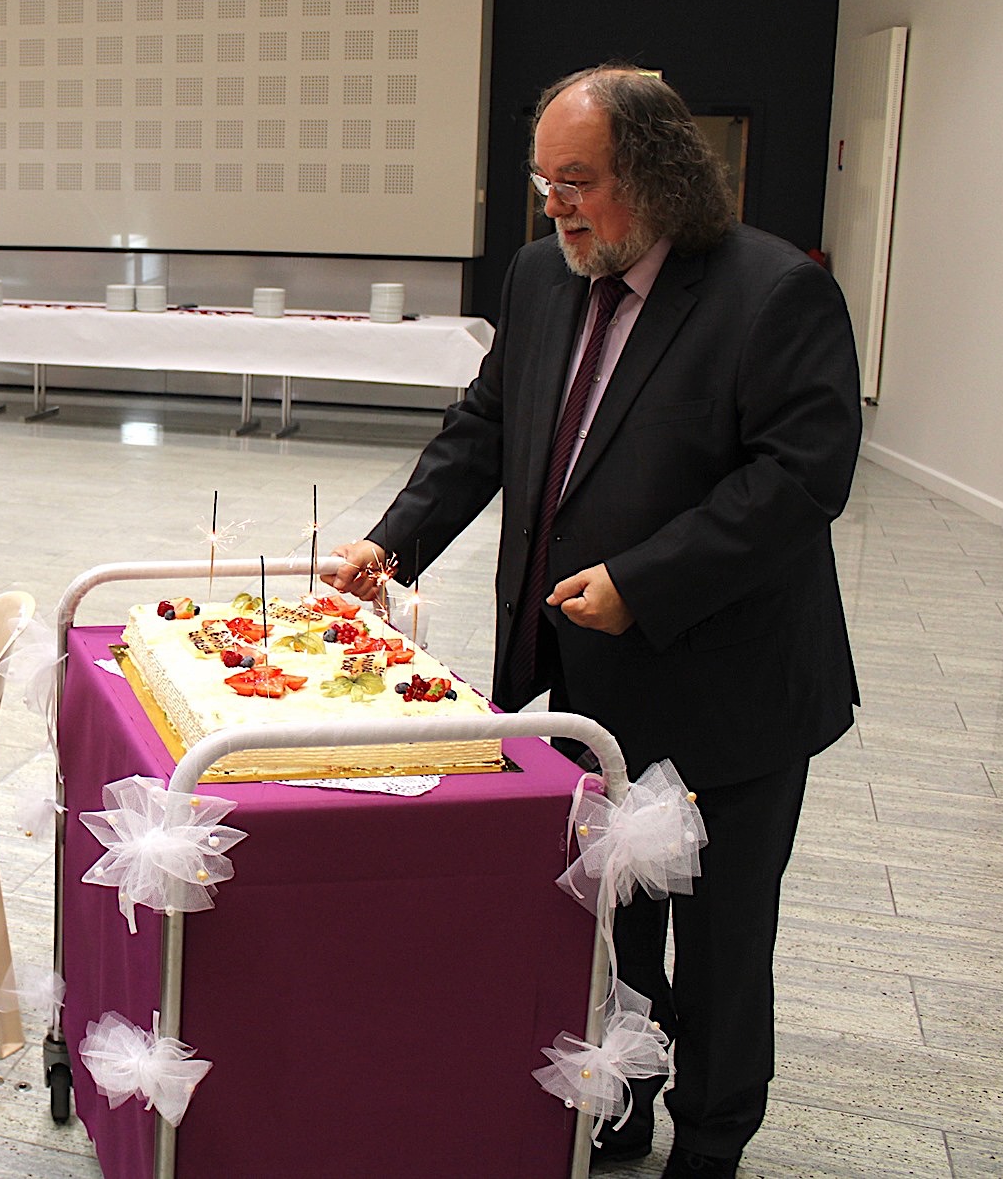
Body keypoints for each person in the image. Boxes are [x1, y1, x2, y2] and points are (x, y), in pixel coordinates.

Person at [326, 66, 861, 1179]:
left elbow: (800, 479)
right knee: (604, 924)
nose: (553, 205)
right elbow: (483, 428)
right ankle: (617, 1093)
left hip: (729, 691)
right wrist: (392, 541)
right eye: (543, 180)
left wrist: (645, 579)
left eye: (578, 182)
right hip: (585, 680)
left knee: (718, 949)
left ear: (657, 180)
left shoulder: (770, 293)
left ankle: (709, 1145)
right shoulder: (539, 278)